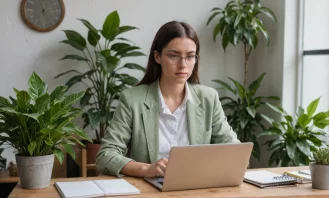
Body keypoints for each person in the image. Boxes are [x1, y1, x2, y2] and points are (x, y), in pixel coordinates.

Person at [96, 21, 240, 178]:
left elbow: (236, 153)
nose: (183, 65)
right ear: (157, 56)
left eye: (190, 56)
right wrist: (146, 169)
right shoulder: (132, 99)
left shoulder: (208, 98)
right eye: (173, 56)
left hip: (197, 188)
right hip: (150, 189)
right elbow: (106, 155)